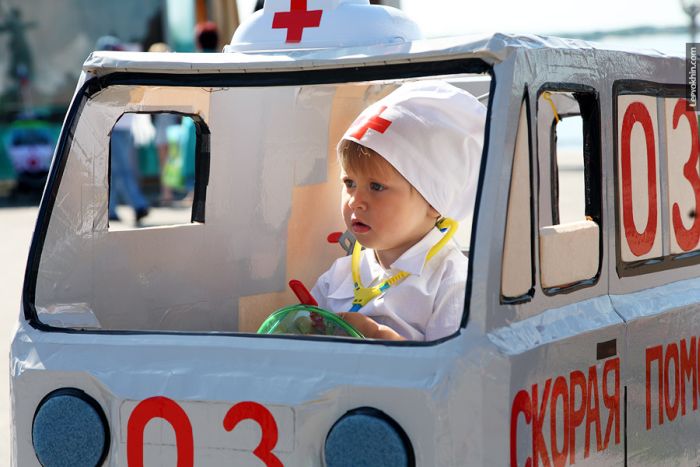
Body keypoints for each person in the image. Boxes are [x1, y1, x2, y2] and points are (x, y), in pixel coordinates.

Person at [310, 81, 486, 341]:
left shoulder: (454, 283)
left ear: (434, 202)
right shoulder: (336, 277)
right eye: (349, 183)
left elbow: (449, 373)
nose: (355, 201)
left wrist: (380, 337)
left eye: (377, 187)